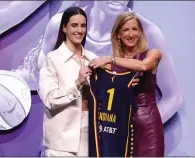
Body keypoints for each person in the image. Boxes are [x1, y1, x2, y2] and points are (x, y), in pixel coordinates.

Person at [38, 0, 183, 124]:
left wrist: (131, 131)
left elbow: (174, 98)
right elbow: (45, 77)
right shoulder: (60, 25)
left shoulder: (148, 33)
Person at [89, 11, 164, 156]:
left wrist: (111, 60)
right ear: (118, 34)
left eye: (135, 29)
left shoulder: (153, 54)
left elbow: (143, 66)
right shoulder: (111, 66)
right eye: (126, 29)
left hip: (147, 127)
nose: (131, 34)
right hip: (120, 126)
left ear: (140, 32)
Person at [38, 7, 97, 156]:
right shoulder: (52, 59)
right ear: (64, 28)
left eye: (83, 26)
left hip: (89, 135)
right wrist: (77, 83)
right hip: (61, 141)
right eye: (74, 25)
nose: (79, 30)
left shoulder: (93, 58)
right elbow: (49, 99)